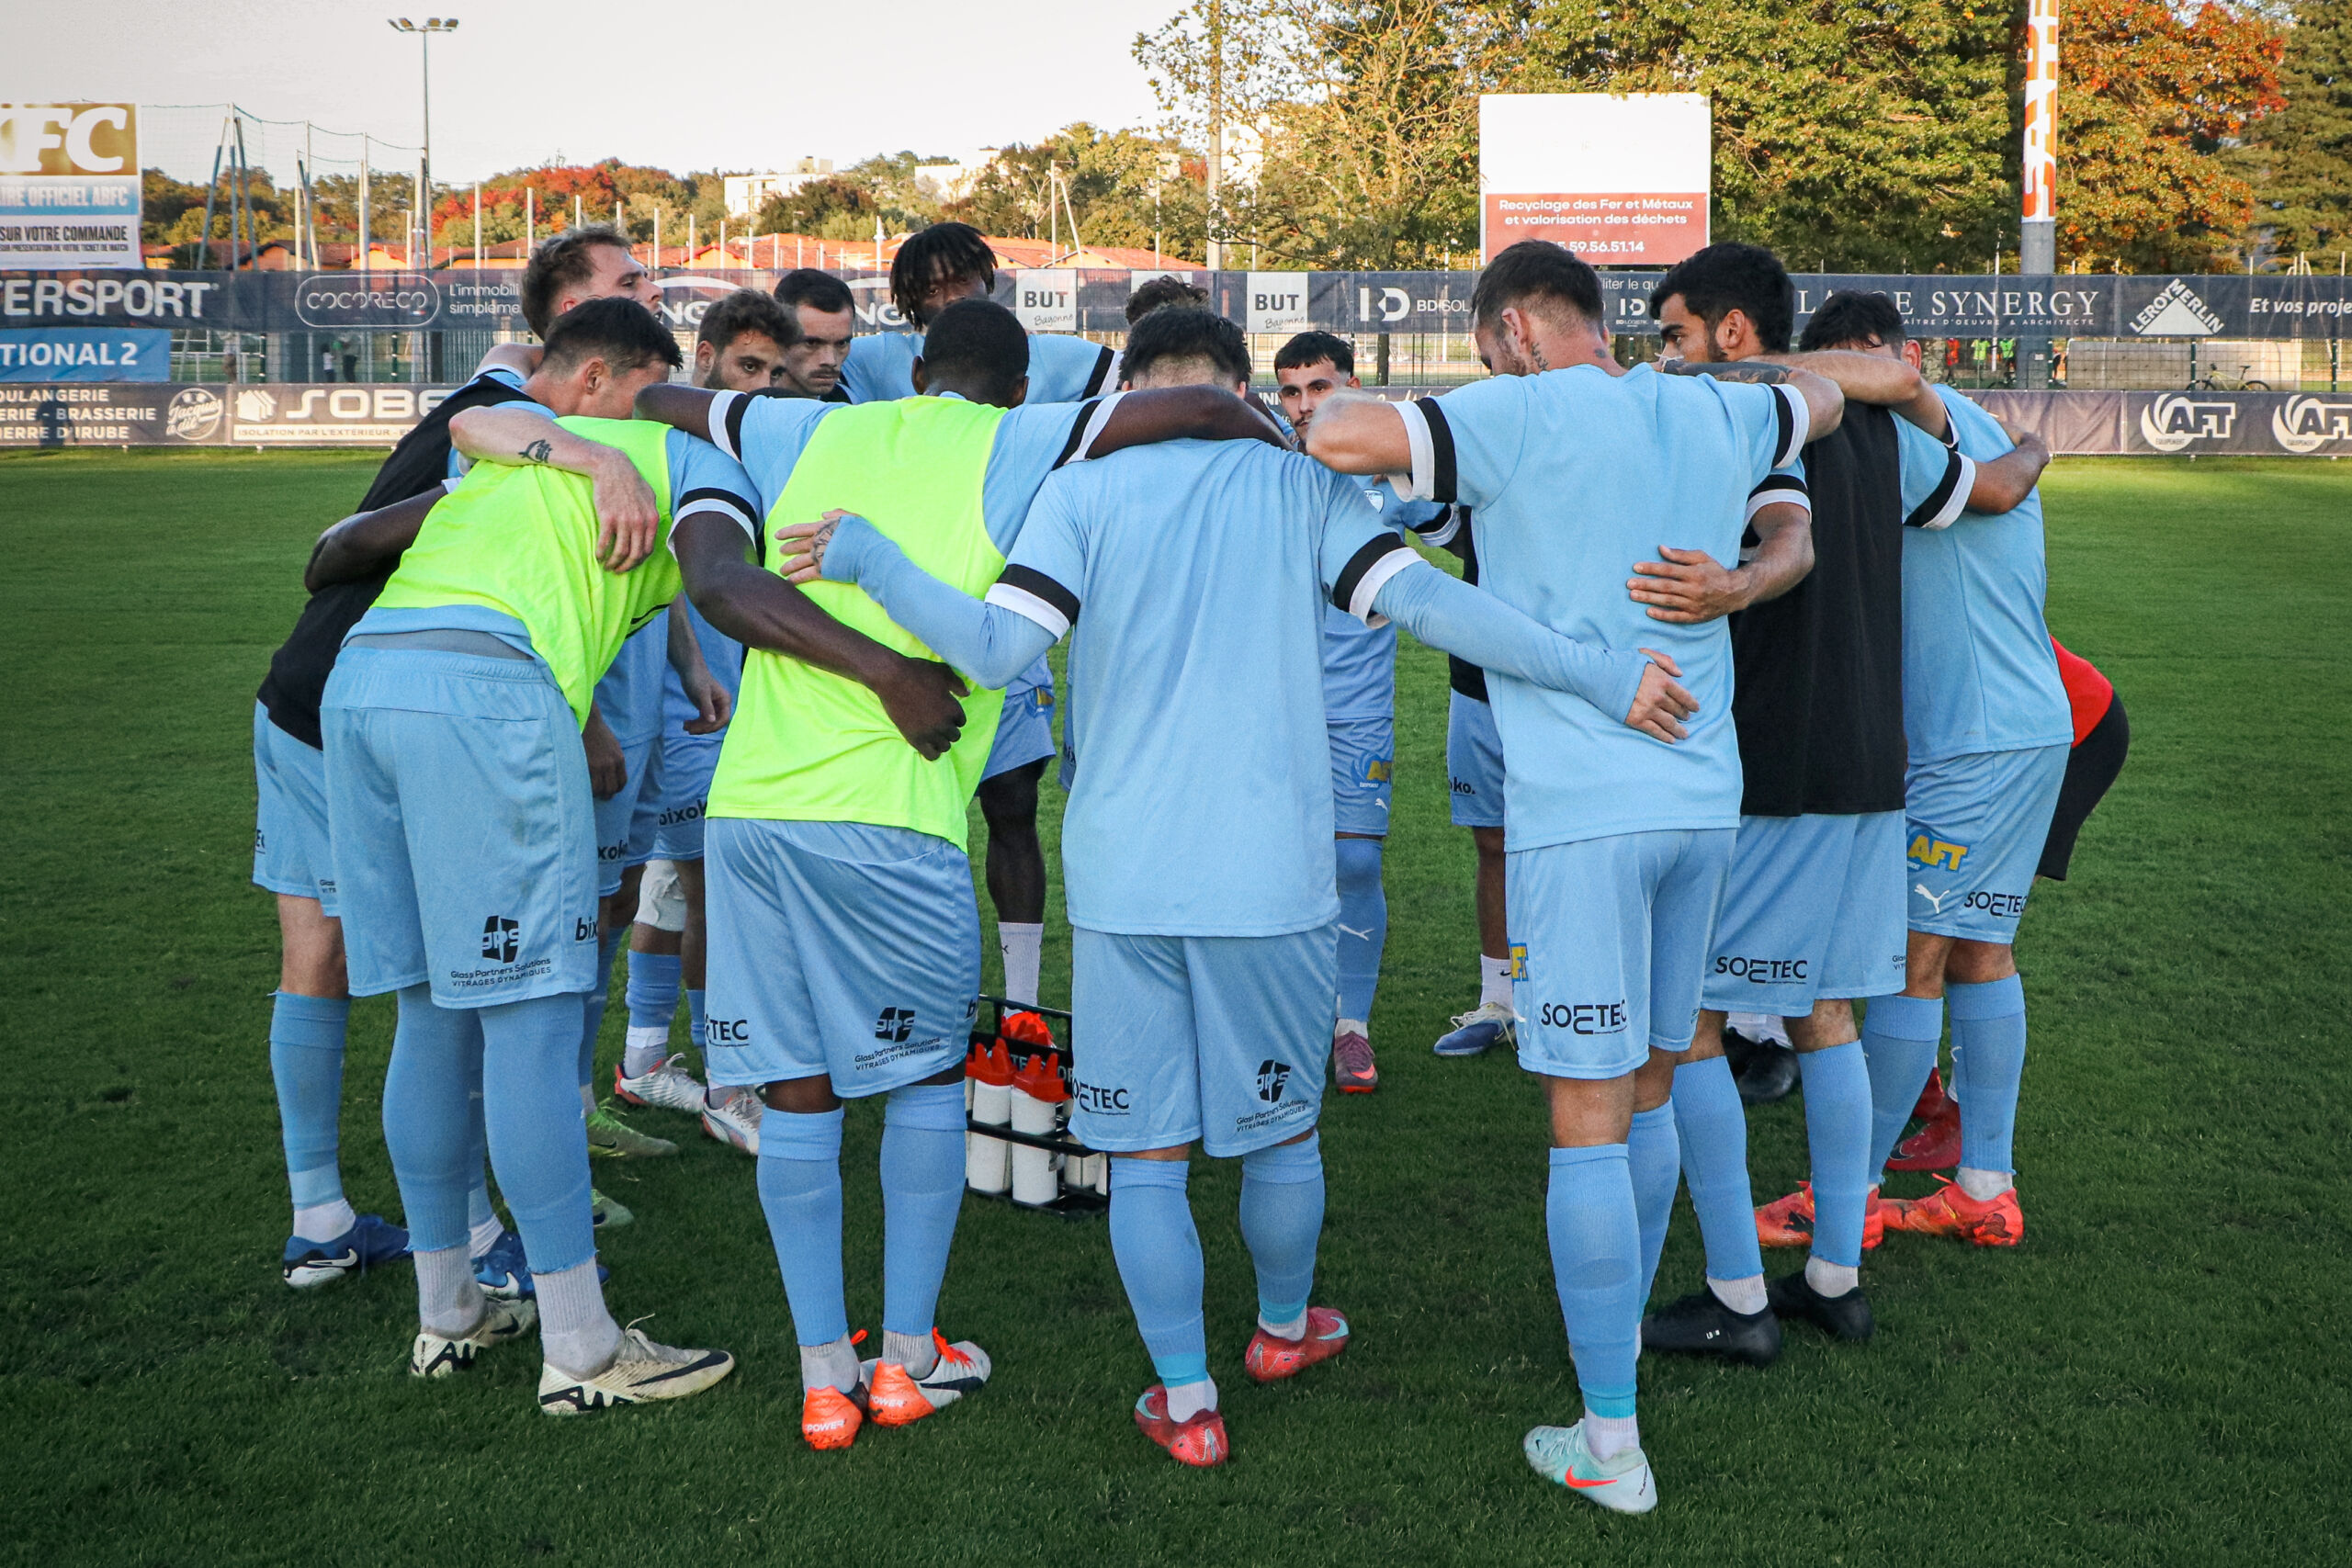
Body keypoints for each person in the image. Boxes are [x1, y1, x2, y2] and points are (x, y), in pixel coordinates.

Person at [796, 303, 1700, 1471]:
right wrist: (1593, 668)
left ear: (1134, 390)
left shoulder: (1081, 494)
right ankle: (1281, 1330)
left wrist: (867, 556)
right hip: (1271, 877)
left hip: (1124, 880)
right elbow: (1432, 605)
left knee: (1146, 1156)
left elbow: (987, 653)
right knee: (1279, 1137)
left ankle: (1186, 1398)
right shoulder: (1299, 490)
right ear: (1237, 389)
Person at [632, 298, 1288, 1451]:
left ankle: (822, 1379)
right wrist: (1284, 435)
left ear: (917, 365)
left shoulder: (798, 429)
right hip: (893, 814)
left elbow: (667, 399)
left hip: (750, 813)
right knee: (927, 1083)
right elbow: (1191, 404)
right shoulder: (1025, 437)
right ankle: (908, 1359)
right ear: (1021, 383)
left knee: (796, 1088)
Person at [1300, 242, 1848, 1509]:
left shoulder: (1518, 399)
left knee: (1590, 1111)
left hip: (1587, 811)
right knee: (1654, 1081)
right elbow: (1816, 396)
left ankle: (1611, 1432)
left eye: (1492, 343)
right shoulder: (1718, 401)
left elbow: (1336, 434)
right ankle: (1617, 1375)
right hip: (1703, 795)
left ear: (1512, 332)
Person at [322, 298, 747, 1412]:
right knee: (534, 1019)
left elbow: (474, 424)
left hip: (366, 684)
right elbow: (739, 563)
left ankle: (449, 1310)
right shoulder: (680, 445)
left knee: (426, 1010)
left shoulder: (517, 443)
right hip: (486, 699)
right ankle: (583, 1346)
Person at [1631, 249, 2043, 1365]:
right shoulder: (1884, 430)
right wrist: (1923, 392)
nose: (1661, 357)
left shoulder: (1737, 416)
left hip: (1780, 764)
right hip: (1875, 759)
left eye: (1670, 335)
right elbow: (1998, 483)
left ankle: (1736, 1298)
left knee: (1697, 1024)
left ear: (1726, 333)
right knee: (1824, 1013)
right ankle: (1833, 1280)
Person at [253, 227, 661, 1290]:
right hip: (418, 707)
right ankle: (489, 1250)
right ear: (569, 335)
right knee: (462, 989)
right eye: (625, 284)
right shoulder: (516, 413)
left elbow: (333, 549)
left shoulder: (497, 419)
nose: (648, 291)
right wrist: (593, 455)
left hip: (320, 693)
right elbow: (382, 540)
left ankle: (330, 1220)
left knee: (347, 963)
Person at [1782, 293, 2069, 1250]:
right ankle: (1983, 1184)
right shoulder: (1970, 425)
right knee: (1981, 952)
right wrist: (2029, 455)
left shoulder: (1898, 431)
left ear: (1873, 358)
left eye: (1831, 365)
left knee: (1912, 963)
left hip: (1969, 740)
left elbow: (1991, 489)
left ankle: (1848, 1197)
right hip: (2024, 728)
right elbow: (2006, 475)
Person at [614, 290, 798, 1145]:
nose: (760, 386)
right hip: (678, 711)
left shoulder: (734, 442)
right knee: (704, 894)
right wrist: (694, 671)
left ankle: (645, 1058)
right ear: (705, 358)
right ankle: (729, 1082)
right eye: (746, 367)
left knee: (662, 890)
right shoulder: (677, 446)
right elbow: (681, 576)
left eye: (774, 371)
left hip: (693, 699)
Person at [1272, 329, 1449, 1092]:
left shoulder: (1391, 474)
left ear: (1352, 387)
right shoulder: (1263, 469)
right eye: (1291, 391)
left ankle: (1352, 1026)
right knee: (1272, 867)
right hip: (1270, 707)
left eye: (1320, 387)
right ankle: (1279, 1017)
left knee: (1354, 860)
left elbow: (1470, 535)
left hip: (1358, 711)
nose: (1306, 405)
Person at [840, 221, 1121, 406]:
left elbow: (1140, 381)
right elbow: (807, 361)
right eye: (933, 291)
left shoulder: (1048, 353)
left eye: (962, 280)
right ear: (911, 302)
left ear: (985, 278)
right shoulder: (880, 357)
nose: (953, 298)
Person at [773, 268, 857, 400]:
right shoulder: (745, 407)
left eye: (841, 344)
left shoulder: (848, 403)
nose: (830, 361)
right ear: (776, 337)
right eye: (811, 343)